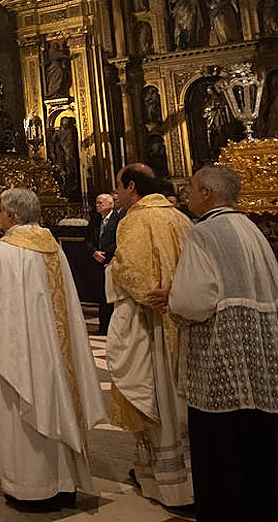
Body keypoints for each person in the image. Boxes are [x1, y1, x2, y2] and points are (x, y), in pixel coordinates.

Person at [153, 166, 278, 521]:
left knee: (229, 447)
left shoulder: (204, 232)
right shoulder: (249, 227)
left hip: (224, 355)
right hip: (263, 355)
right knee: (272, 441)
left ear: (206, 192)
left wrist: (172, 295)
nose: (187, 194)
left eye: (191, 188)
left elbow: (195, 301)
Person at [0, 187, 105, 511]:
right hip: (55, 351)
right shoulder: (51, 245)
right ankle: (63, 482)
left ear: (13, 215)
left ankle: (32, 488)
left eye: (1, 211)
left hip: (24, 352)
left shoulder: (5, 250)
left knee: (23, 411)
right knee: (57, 402)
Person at [106, 163, 194, 509]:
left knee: (158, 397)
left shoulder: (136, 219)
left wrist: (118, 273)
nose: (117, 194)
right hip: (184, 318)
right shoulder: (179, 217)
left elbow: (130, 270)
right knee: (181, 396)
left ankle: (166, 482)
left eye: (119, 187)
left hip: (151, 321)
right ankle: (188, 477)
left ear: (131, 186)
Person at [85, 192, 122, 336]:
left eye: (101, 203)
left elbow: (119, 240)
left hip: (111, 261)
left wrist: (106, 255)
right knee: (101, 297)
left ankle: (113, 328)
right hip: (97, 262)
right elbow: (87, 239)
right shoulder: (95, 219)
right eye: (97, 203)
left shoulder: (118, 220)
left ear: (111, 204)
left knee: (112, 297)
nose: (98, 205)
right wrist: (94, 252)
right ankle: (103, 327)